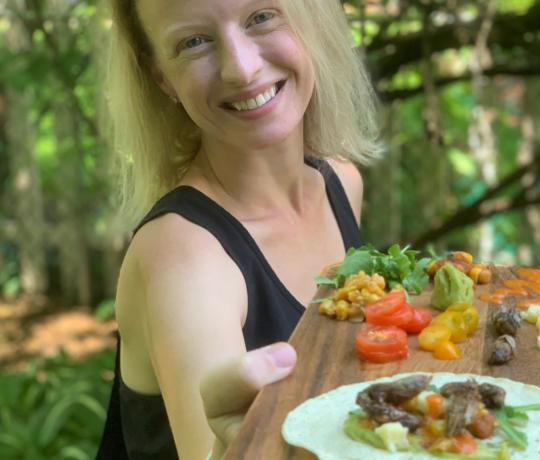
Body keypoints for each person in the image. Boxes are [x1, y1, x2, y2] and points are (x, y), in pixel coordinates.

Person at [96, 0, 381, 458]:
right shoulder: (183, 257)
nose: (242, 70)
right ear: (162, 77)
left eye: (261, 17)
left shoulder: (340, 183)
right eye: (193, 42)